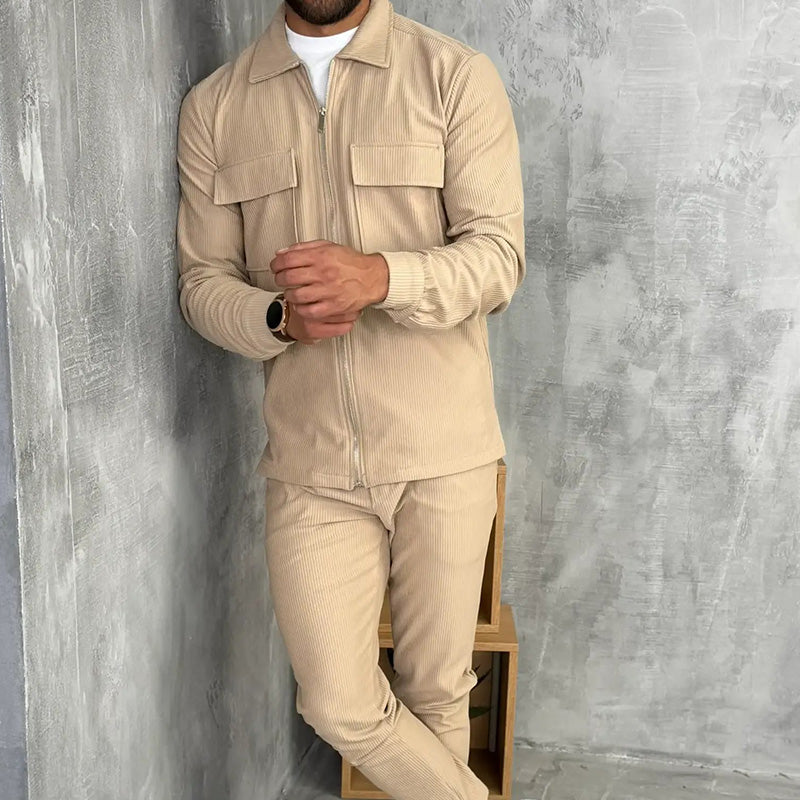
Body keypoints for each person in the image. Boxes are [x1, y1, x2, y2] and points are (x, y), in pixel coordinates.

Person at [175, 0, 525, 797]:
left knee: (437, 696)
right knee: (337, 702)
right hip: (310, 464)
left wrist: (382, 277)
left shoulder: (453, 77)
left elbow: (498, 259)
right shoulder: (216, 107)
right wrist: (276, 317)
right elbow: (201, 284)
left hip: (445, 450)